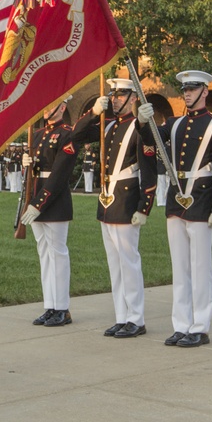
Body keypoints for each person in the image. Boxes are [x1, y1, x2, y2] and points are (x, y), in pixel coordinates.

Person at [153, 71, 212, 349]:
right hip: (177, 198)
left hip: (201, 198)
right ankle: (181, 324)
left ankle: (200, 326)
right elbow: (151, 138)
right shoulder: (174, 123)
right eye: (184, 89)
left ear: (204, 92)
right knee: (180, 267)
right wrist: (143, 120)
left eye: (192, 88)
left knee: (200, 267)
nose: (186, 93)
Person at [71, 79, 157, 338]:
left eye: (122, 95)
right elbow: (75, 135)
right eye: (113, 94)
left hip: (127, 199)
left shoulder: (138, 126)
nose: (116, 99)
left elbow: (149, 168)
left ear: (133, 98)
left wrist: (145, 205)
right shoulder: (106, 127)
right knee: (114, 263)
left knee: (128, 261)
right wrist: (93, 113)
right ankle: (121, 316)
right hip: (108, 199)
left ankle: (136, 318)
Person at [20, 96, 79, 327]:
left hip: (54, 200)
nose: (45, 108)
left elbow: (59, 174)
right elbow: (36, 170)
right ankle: (50, 305)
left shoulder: (67, 133)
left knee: (57, 254)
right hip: (36, 196)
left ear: (62, 107)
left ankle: (62, 308)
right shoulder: (36, 134)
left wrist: (38, 203)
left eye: (51, 104)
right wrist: (26, 162)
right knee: (44, 254)